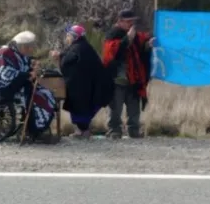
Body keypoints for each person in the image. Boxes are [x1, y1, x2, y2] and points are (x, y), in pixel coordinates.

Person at [0, 31, 58, 143]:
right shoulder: (4, 52)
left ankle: (37, 128)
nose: (31, 50)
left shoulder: (16, 52)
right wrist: (28, 74)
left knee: (46, 94)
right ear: (22, 46)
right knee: (38, 99)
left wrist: (33, 64)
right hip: (2, 87)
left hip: (17, 84)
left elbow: (25, 63)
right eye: (29, 48)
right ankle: (34, 129)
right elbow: (6, 74)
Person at [101, 9, 155, 139]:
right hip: (117, 79)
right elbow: (111, 53)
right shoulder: (112, 34)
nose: (131, 24)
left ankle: (134, 130)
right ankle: (114, 130)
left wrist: (148, 45)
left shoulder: (136, 36)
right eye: (128, 21)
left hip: (134, 79)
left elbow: (142, 47)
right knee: (115, 108)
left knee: (134, 109)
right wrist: (127, 39)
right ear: (120, 21)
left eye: (133, 21)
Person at [50, 25, 110, 138]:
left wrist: (59, 56)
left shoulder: (77, 48)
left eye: (68, 36)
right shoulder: (84, 47)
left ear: (74, 37)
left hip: (81, 88)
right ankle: (82, 131)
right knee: (83, 108)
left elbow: (67, 63)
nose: (67, 38)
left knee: (80, 109)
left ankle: (83, 131)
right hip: (86, 86)